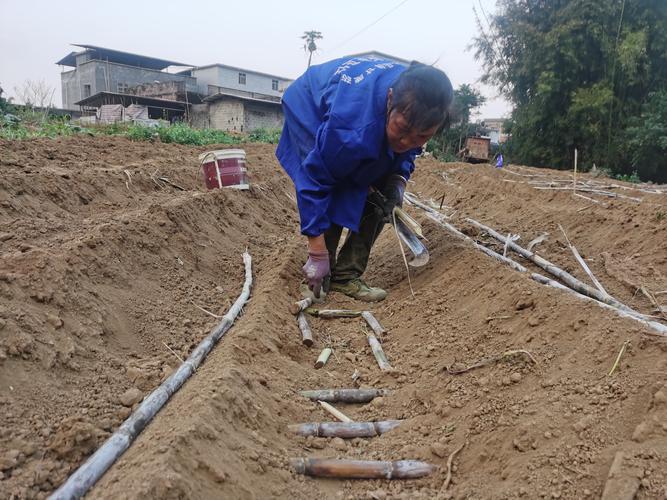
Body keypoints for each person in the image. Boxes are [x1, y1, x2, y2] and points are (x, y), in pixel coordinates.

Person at [276, 55, 453, 302]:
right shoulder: (349, 128)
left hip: (364, 116)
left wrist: (397, 182)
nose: (407, 142)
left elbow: (407, 149)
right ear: (390, 99)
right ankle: (320, 272)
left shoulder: (420, 107)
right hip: (309, 104)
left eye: (422, 136)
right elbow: (315, 179)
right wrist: (316, 251)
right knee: (337, 180)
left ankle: (346, 276)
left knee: (381, 200)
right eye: (401, 130)